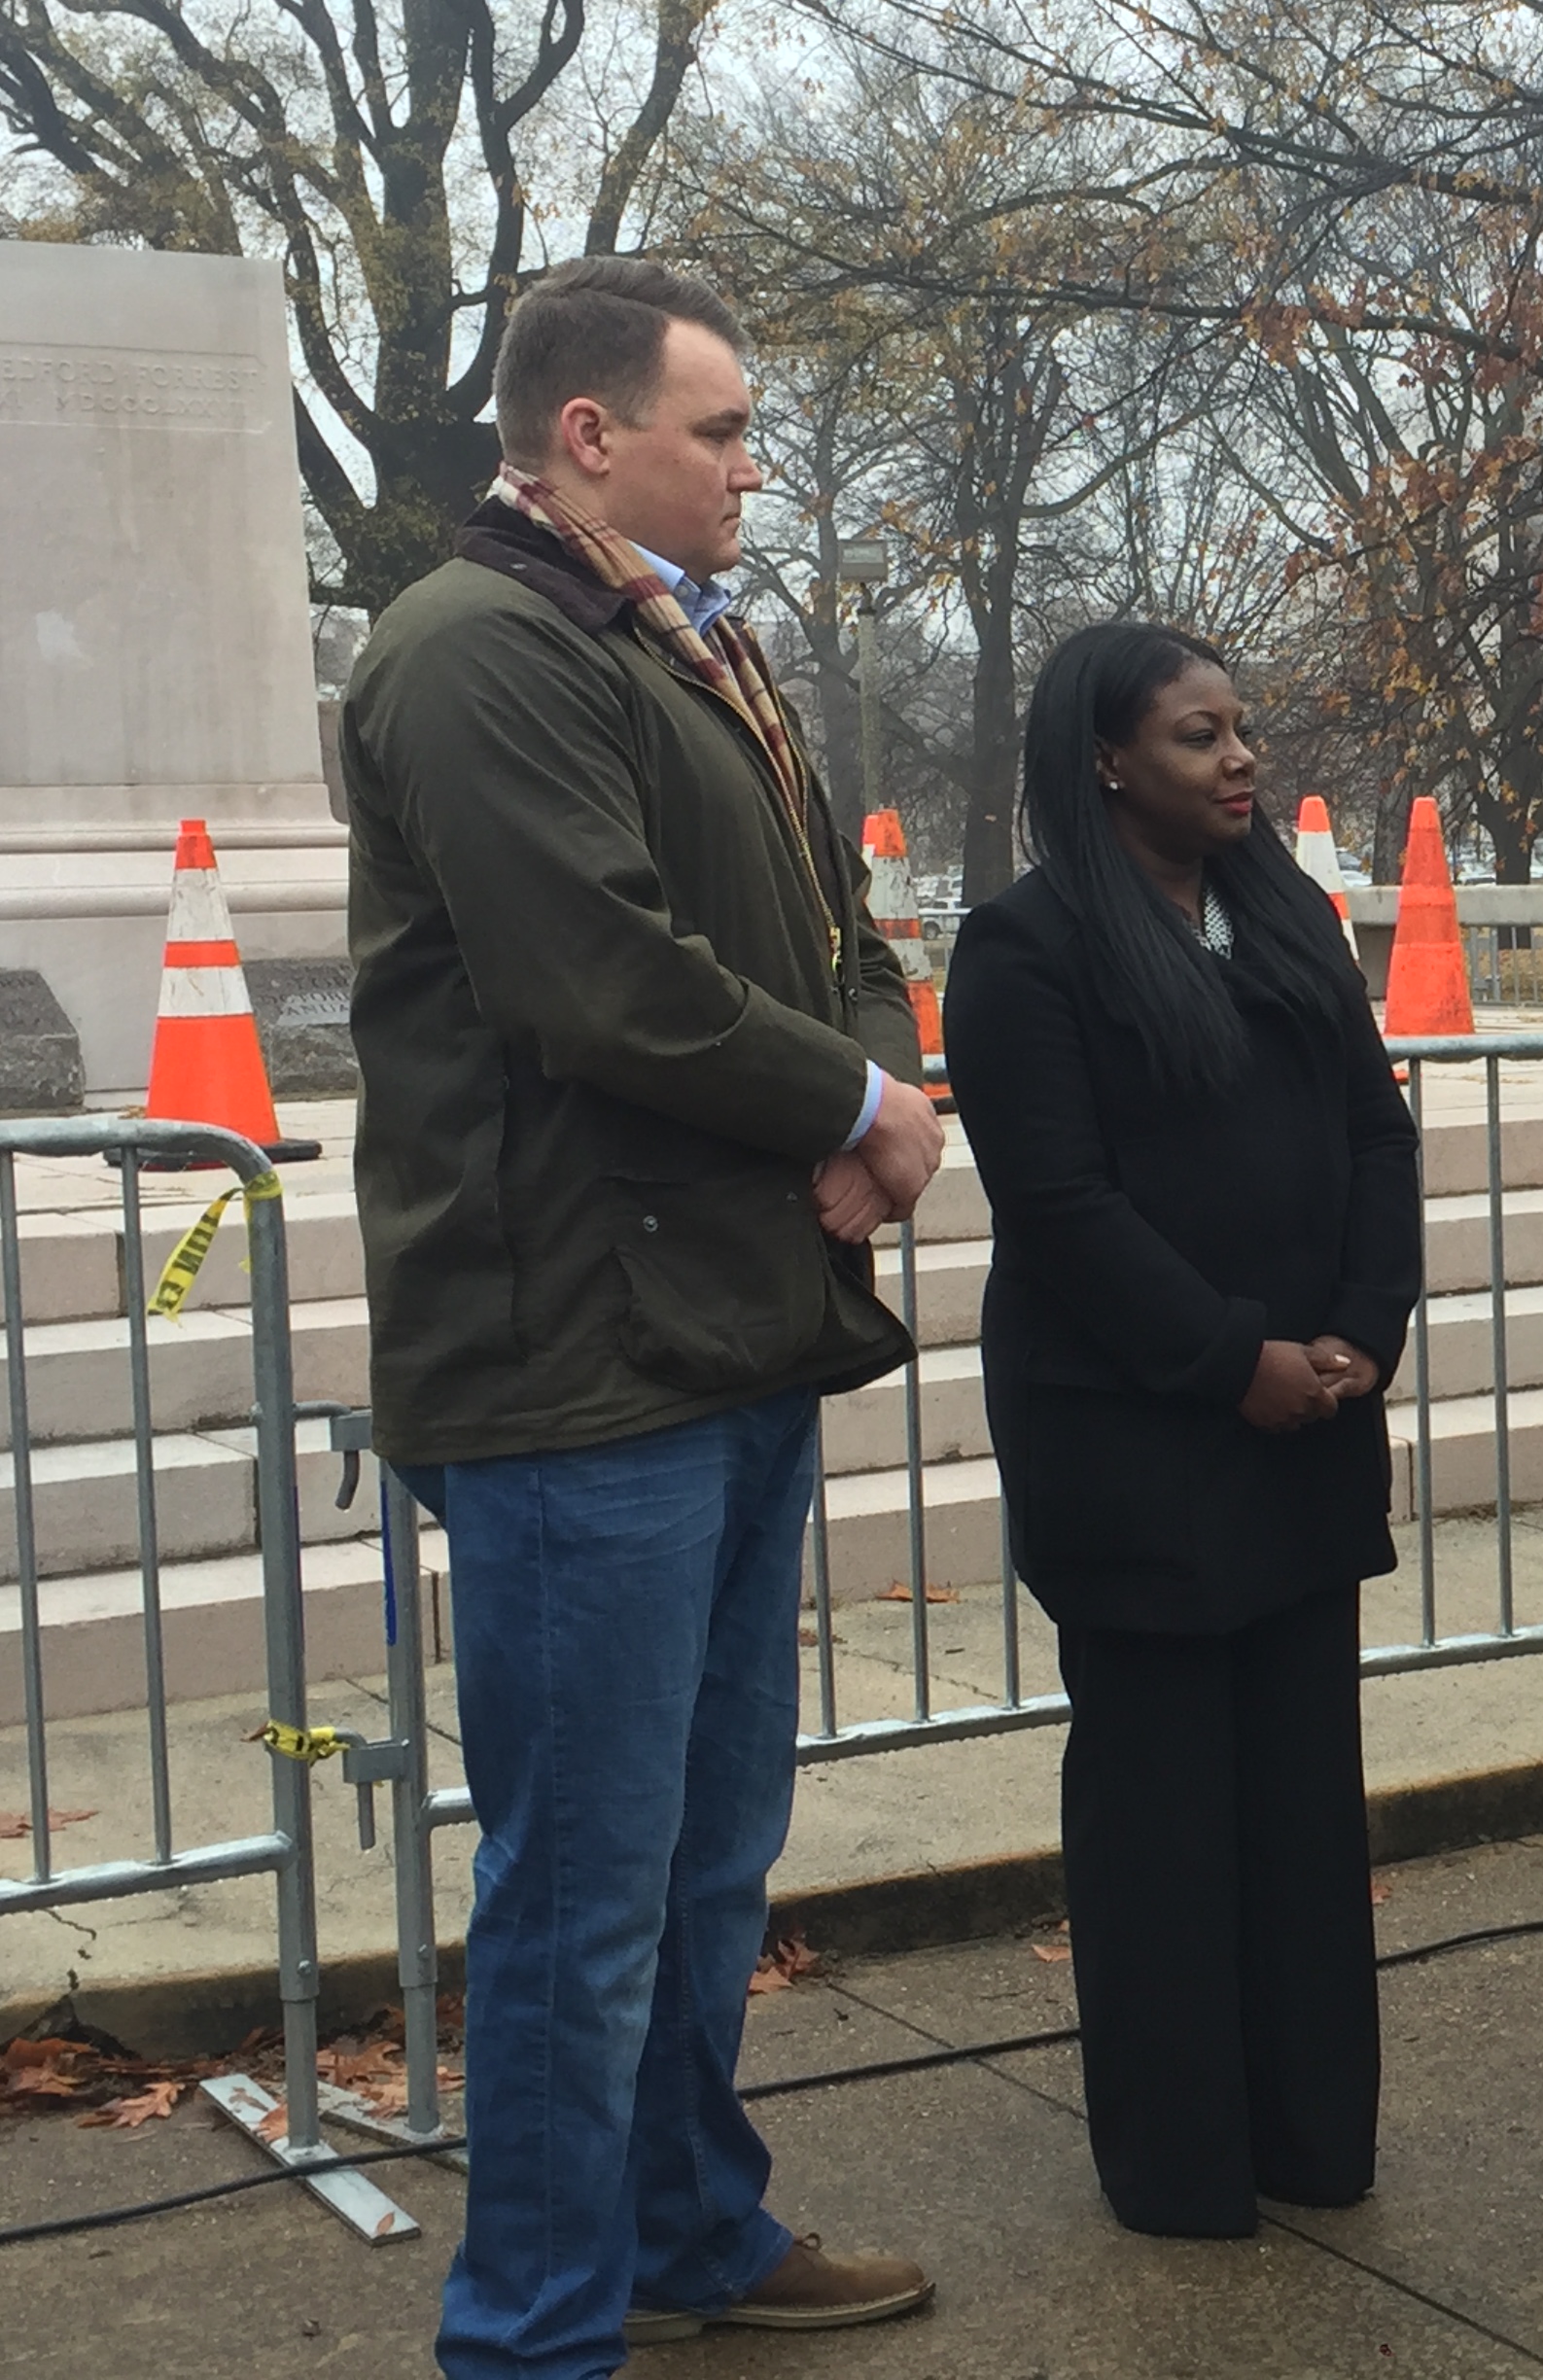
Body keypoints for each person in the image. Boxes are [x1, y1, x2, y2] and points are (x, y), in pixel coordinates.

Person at [341, 257, 944, 2378]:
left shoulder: (695, 653)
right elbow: (594, 975)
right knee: (584, 1894)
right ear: (585, 435)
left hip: (730, 1330)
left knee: (700, 1865)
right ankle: (531, 2333)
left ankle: (691, 2225)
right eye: (722, 430)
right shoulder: (474, 647)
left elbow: (835, 926)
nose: (753, 469)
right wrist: (856, 1098)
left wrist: (882, 1083)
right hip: (572, 1366)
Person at [942, 622, 1420, 2239]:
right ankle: (1181, 2162)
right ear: (1103, 760)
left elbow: (1373, 1126)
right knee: (1161, 1814)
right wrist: (1233, 1360)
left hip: (1306, 1424)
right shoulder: (1026, 949)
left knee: (1298, 1799)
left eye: (1240, 731)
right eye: (1198, 736)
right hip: (1141, 1439)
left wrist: (1365, 1321)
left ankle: (1308, 2129)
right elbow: (1062, 1206)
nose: (1238, 761)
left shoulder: (1283, 916)